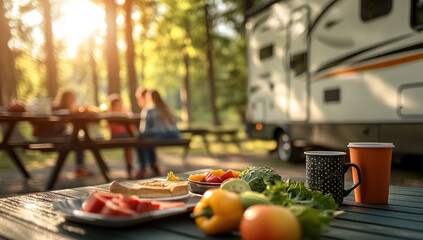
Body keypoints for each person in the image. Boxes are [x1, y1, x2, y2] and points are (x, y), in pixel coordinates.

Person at [34, 90, 90, 178]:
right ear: (65, 99)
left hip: (57, 135)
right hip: (49, 136)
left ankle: (80, 168)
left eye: (74, 98)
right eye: (71, 98)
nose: (73, 101)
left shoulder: (68, 110)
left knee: (78, 140)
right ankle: (80, 168)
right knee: (76, 140)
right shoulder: (55, 108)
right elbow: (53, 125)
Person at [136, 89, 180, 179]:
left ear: (149, 98)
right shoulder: (167, 107)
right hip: (174, 135)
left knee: (141, 138)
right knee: (148, 139)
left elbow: (143, 130)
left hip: (160, 135)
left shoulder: (149, 110)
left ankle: (143, 167)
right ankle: (153, 164)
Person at [107, 94, 134, 178]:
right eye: (118, 105)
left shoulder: (125, 112)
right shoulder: (110, 114)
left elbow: (132, 126)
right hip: (116, 137)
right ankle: (130, 169)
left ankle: (130, 168)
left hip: (126, 136)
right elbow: (110, 127)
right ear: (113, 106)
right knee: (128, 141)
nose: (120, 106)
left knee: (131, 141)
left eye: (120, 104)